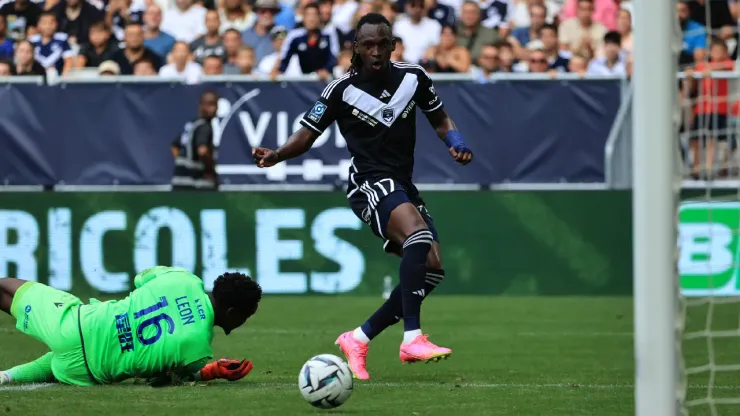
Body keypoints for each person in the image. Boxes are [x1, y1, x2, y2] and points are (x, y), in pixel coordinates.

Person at [252, 13, 473, 380]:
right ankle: (412, 338)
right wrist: (277, 154)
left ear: (392, 46)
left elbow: (440, 118)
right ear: (356, 47)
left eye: (381, 44)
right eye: (367, 44)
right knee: (417, 235)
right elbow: (306, 135)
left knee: (431, 269)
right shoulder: (340, 89)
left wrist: (457, 141)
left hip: (401, 183)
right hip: (368, 181)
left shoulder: (413, 78)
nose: (375, 51)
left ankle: (358, 337)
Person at [0, 266, 262, 386]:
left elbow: (140, 279)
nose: (244, 322)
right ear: (231, 312)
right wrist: (213, 371)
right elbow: (162, 379)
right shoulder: (199, 352)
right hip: (86, 373)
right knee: (59, 361)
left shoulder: (183, 279)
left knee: (6, 286)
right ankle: (6, 377)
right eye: (246, 315)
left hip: (77, 325)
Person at [172, 90, 219, 190]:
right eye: (209, 104)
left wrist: (183, 166)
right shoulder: (204, 126)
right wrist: (209, 170)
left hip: (179, 180)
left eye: (215, 105)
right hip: (195, 184)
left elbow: (174, 146)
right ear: (201, 105)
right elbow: (202, 151)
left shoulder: (192, 124)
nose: (213, 109)